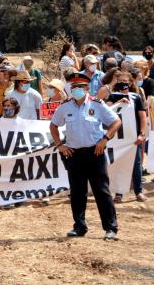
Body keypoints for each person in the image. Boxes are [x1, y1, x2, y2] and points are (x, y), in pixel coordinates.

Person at [50, 74, 122, 240]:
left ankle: (110, 228)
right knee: (77, 192)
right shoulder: (65, 106)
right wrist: (60, 145)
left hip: (94, 152)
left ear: (87, 89)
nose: (76, 90)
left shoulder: (97, 104)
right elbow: (53, 125)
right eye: (73, 87)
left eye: (80, 87)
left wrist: (105, 139)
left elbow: (116, 121)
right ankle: (79, 227)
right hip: (74, 154)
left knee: (101, 191)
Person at [103, 75, 147, 203]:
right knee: (118, 164)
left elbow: (142, 116)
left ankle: (138, 191)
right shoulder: (112, 96)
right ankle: (119, 193)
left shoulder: (136, 97)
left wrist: (142, 133)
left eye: (125, 81)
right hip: (116, 139)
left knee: (136, 164)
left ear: (130, 83)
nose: (123, 84)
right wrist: (118, 103)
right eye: (120, 81)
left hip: (132, 138)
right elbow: (106, 111)